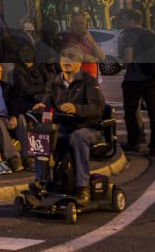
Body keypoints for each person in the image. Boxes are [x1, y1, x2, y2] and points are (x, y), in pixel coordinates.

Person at [31, 46, 106, 203]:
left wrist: (76, 109)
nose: (66, 61)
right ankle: (41, 181)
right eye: (64, 57)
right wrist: (42, 108)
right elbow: (48, 106)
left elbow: (98, 109)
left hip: (88, 128)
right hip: (64, 129)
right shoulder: (54, 83)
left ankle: (82, 186)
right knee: (41, 134)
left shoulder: (88, 81)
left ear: (79, 62)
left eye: (71, 57)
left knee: (78, 136)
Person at [118, 8, 155, 157]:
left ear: (132, 20)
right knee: (154, 112)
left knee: (131, 111)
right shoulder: (150, 33)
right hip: (153, 79)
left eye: (124, 19)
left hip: (134, 79)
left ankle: (136, 142)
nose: (122, 22)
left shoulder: (129, 35)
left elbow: (128, 58)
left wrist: (120, 62)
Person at [0, 63, 29, 172]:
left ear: (1, 74)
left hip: (6, 116)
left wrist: (13, 116)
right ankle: (13, 158)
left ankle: (28, 156)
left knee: (21, 118)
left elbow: (16, 103)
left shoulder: (7, 87)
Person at [58, 12, 105, 79]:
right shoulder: (68, 39)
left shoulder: (88, 37)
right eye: (76, 23)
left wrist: (91, 41)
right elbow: (78, 57)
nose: (79, 26)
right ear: (71, 25)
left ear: (85, 25)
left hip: (91, 79)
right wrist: (94, 58)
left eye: (82, 23)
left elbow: (102, 56)